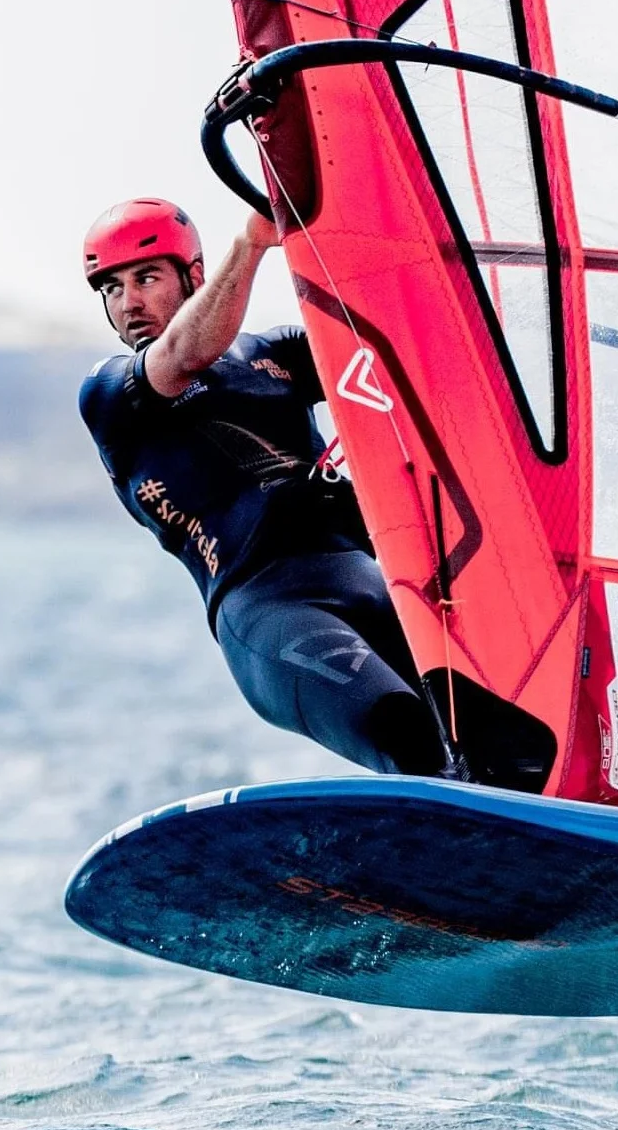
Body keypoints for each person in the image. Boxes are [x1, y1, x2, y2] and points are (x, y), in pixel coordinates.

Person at [77, 197, 459, 778]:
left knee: (508, 737)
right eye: (112, 288)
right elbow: (185, 353)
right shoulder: (110, 393)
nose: (128, 302)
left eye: (146, 278)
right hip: (271, 612)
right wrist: (253, 241)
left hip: (375, 582)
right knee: (406, 735)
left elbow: (403, 337)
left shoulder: (271, 354)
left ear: (193, 276)